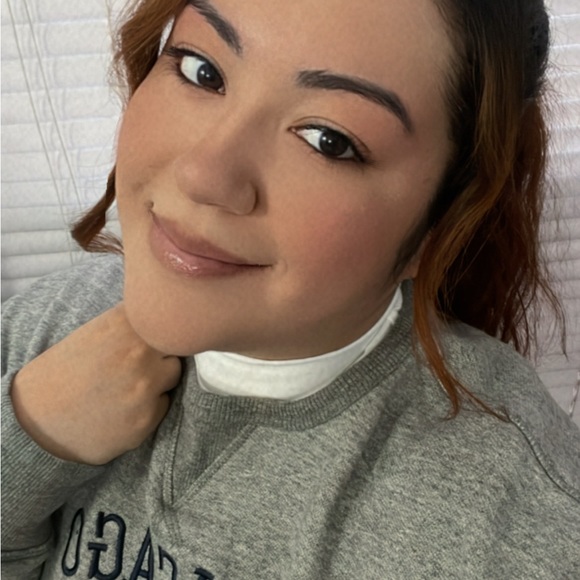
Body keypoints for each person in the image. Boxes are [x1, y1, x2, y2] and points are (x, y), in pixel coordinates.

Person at [2, 0, 579, 577]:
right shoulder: (53, 324)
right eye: (203, 70)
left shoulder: (520, 530)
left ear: (444, 224)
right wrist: (27, 439)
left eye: (328, 140)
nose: (203, 174)